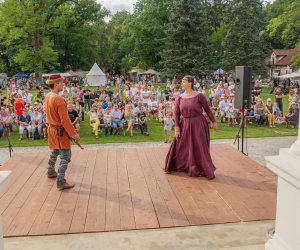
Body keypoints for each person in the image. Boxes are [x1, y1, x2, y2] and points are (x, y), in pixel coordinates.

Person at [164, 75, 218, 179]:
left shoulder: (199, 96)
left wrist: (214, 121)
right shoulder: (179, 97)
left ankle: (202, 168)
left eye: (184, 82)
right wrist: (176, 127)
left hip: (198, 124)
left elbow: (207, 109)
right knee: (181, 146)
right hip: (184, 124)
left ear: (190, 83)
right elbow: (176, 113)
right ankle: (186, 166)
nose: (181, 84)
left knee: (199, 147)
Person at [44, 74, 80, 190]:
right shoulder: (58, 99)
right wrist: (73, 134)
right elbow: (65, 120)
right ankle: (60, 181)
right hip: (59, 131)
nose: (63, 84)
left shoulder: (48, 96)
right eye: (62, 82)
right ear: (56, 84)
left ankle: (50, 171)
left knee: (55, 150)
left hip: (52, 129)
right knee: (65, 155)